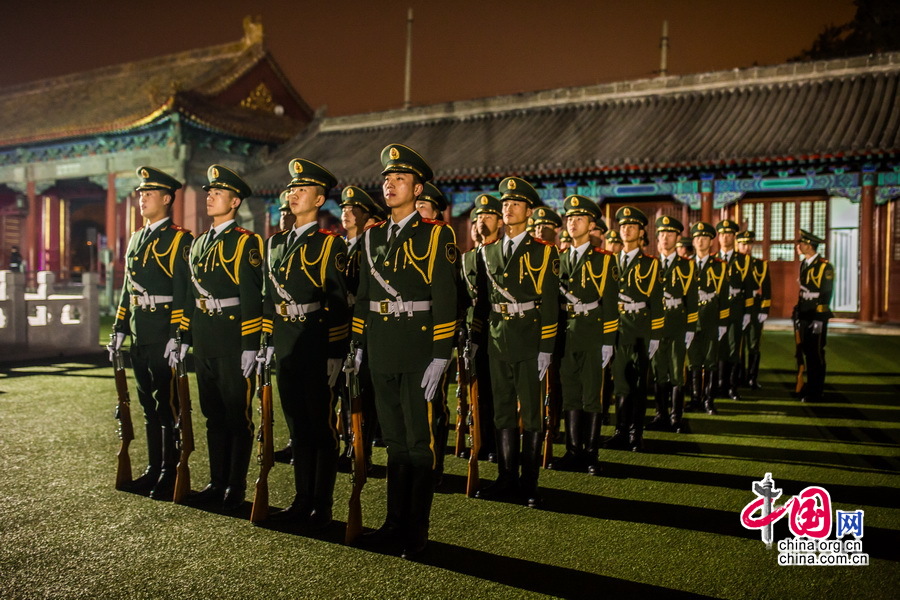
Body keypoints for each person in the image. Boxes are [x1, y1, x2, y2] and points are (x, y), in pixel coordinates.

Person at [351, 144, 457, 559]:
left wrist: (440, 354)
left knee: (419, 442)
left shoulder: (436, 234)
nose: (389, 184)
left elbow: (445, 298)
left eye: (399, 179)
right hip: (382, 348)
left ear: (417, 188)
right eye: (386, 179)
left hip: (418, 349)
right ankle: (393, 523)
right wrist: (359, 345)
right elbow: (363, 298)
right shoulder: (372, 236)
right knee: (393, 440)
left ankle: (416, 529)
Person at [259, 159, 348, 529]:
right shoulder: (275, 244)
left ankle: (321, 506)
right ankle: (300, 501)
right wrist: (267, 340)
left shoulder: (330, 245)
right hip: (286, 345)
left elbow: (339, 303)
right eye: (291, 189)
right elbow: (268, 298)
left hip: (314, 344)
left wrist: (333, 354)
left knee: (320, 428)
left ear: (320, 198)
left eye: (302, 190)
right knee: (296, 427)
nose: (293, 194)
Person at [474, 176, 559, 508]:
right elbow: (485, 300)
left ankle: (529, 482)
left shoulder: (543, 252)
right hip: (499, 338)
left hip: (529, 337)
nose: (507, 208)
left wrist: (547, 347)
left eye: (515, 204)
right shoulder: (489, 251)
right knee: (502, 410)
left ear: (529, 211)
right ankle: (506, 477)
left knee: (533, 414)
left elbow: (550, 303)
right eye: (504, 204)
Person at [183, 164, 264, 512]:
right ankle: (216, 482)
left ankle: (235, 485)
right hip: (205, 338)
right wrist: (184, 334)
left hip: (232, 339)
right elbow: (190, 294)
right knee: (212, 415)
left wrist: (249, 346)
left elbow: (251, 297)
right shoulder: (199, 242)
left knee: (236, 415)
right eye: (209, 192)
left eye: (218, 193)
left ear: (234, 202)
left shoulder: (246, 242)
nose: (210, 197)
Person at [109, 166, 193, 500]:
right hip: (139, 331)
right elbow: (128, 287)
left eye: (148, 194)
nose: (141, 199)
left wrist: (178, 334)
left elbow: (183, 292)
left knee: (167, 403)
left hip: (162, 330)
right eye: (141, 193)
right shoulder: (136, 237)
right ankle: (153, 468)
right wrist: (118, 326)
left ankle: (171, 471)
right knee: (146, 403)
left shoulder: (179, 238)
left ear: (167, 198)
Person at [549, 195, 617, 475]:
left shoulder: (604, 260)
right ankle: (572, 451)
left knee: (591, 395)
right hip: (567, 335)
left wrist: (608, 342)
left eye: (579, 218)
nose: (572, 222)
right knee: (570, 395)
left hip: (592, 332)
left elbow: (611, 304)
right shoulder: (558, 259)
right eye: (569, 218)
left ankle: (591, 453)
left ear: (591, 224)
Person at [604, 206, 663, 453]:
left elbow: (657, 302)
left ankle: (635, 433)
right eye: (623, 226)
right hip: (617, 327)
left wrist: (656, 335)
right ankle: (620, 430)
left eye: (631, 226)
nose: (626, 230)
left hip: (639, 327)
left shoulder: (650, 263)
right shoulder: (610, 261)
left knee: (637, 383)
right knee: (620, 383)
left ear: (641, 232)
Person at [337, 185, 384, 473]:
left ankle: (362, 448)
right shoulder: (340, 247)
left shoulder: (369, 247)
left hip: (364, 327)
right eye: (343, 208)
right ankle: (347, 445)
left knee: (362, 391)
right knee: (344, 391)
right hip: (341, 328)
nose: (345, 213)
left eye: (352, 209)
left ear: (366, 215)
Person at [460, 194, 504, 462]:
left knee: (497, 392)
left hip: (496, 331)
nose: (481, 222)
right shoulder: (467, 258)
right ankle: (480, 441)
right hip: (472, 333)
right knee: (476, 392)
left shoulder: (501, 254)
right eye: (477, 217)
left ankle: (499, 444)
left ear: (500, 222)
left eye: (488, 216)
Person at [648, 216, 698, 434]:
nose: (665, 238)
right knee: (659, 371)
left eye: (670, 234)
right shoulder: (651, 264)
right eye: (662, 234)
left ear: (677, 238)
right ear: (657, 238)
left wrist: (691, 327)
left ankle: (677, 416)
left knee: (677, 372)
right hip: (657, 326)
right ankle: (661, 413)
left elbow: (692, 299)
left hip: (677, 323)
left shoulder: (686, 266)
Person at [686, 222, 727, 415]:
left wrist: (723, 322)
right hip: (692, 319)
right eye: (697, 238)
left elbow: (725, 296)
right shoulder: (686, 264)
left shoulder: (719, 266)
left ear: (711, 242)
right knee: (694, 360)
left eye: (704, 238)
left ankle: (709, 399)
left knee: (710, 361)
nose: (700, 241)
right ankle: (695, 398)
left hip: (711, 318)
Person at [714, 219, 754, 401]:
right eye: (722, 234)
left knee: (733, 347)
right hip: (716, 308)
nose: (725, 237)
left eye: (729, 234)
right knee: (718, 348)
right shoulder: (714, 259)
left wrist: (748, 312)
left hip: (736, 307)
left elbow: (749, 287)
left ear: (734, 237)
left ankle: (731, 386)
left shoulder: (743, 260)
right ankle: (718, 385)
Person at [794, 229, 833, 403]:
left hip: (817, 314)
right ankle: (809, 387)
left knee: (816, 353)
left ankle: (817, 390)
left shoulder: (824, 266)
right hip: (804, 312)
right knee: (805, 350)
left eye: (802, 243)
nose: (799, 246)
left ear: (809, 245)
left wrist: (819, 317)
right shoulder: (804, 264)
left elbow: (826, 292)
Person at [273, 189, 296, 466]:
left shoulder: (322, 244)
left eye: (287, 211)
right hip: (283, 330)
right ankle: (293, 441)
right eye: (281, 212)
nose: (283, 216)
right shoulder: (274, 245)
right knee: (287, 397)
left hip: (308, 329)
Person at [736, 230, 770, 389]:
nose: (746, 247)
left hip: (755, 308)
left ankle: (752, 377)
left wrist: (764, 310)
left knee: (753, 344)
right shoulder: (732, 262)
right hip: (737, 307)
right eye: (743, 244)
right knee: (737, 344)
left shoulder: (760, 264)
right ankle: (738, 376)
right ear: (737, 244)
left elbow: (767, 289)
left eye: (748, 244)